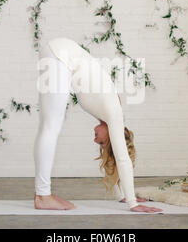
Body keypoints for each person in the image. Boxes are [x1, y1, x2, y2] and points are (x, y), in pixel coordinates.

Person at [33, 37, 162, 213]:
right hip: (60, 55)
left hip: (58, 52)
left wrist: (122, 195)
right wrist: (133, 203)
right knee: (50, 127)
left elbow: (116, 158)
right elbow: (122, 158)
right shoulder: (115, 116)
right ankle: (43, 196)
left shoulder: (107, 113)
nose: (96, 141)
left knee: (48, 126)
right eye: (102, 143)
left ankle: (43, 194)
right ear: (113, 134)